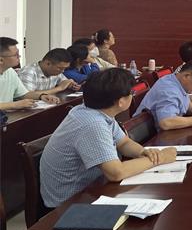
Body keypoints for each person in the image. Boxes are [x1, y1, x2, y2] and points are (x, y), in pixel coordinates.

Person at [40, 69, 177, 208]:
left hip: (92, 187)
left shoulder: (94, 111)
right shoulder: (92, 123)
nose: (132, 95)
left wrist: (144, 152)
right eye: (131, 93)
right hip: (70, 204)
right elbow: (116, 173)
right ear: (121, 102)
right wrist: (160, 159)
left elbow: (123, 143)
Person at [135, 59, 192, 130]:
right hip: (149, 138)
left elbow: (183, 99)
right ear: (186, 76)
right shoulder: (169, 90)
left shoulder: (175, 80)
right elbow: (166, 122)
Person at [0, 37, 61, 110]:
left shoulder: (10, 72)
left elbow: (24, 94)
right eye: (15, 55)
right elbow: (14, 104)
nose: (19, 56)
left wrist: (42, 96)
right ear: (1, 60)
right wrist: (14, 105)